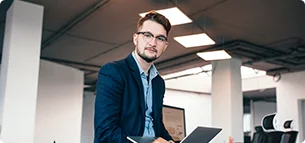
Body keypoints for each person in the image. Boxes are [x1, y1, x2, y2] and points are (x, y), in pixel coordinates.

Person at [94, 11, 174, 143]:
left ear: (165, 46)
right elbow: (105, 132)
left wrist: (169, 141)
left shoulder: (158, 83)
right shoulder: (113, 72)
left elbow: (157, 126)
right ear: (136, 39)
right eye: (147, 35)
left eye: (160, 38)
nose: (153, 43)